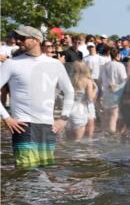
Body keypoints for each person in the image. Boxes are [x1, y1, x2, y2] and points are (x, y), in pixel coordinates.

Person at [0, 26, 75, 168]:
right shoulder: (11, 64)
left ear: (36, 40)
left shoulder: (55, 64)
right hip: (22, 125)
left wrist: (63, 119)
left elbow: (69, 91)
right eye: (17, 38)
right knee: (26, 171)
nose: (18, 41)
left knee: (45, 172)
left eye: (22, 38)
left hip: (48, 125)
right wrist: (6, 118)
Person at [98, 47, 128, 133]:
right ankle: (112, 136)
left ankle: (106, 134)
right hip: (117, 94)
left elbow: (100, 80)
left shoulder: (104, 66)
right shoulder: (120, 65)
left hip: (106, 93)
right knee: (114, 116)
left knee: (107, 115)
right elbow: (124, 80)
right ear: (118, 55)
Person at [66, 61, 98, 140]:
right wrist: (95, 90)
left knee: (69, 140)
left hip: (68, 110)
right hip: (80, 110)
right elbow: (90, 98)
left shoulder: (69, 80)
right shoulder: (87, 81)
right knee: (78, 141)